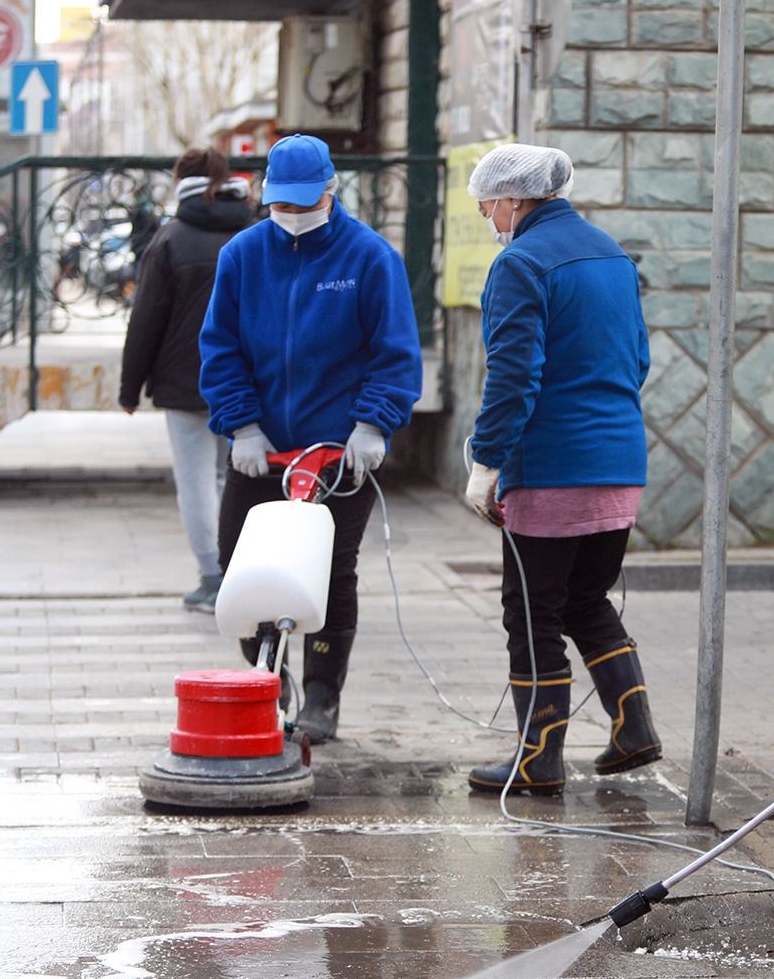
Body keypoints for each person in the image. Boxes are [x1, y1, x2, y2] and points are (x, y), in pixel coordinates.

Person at [199, 134, 421, 744]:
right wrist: (241, 423)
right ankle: (266, 685)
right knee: (239, 564)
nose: (292, 216)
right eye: (281, 206)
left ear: (331, 191)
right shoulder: (242, 256)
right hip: (259, 448)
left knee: (329, 573)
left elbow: (395, 352)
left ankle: (323, 697)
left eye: (304, 204)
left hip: (337, 455)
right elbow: (220, 347)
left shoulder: (370, 259)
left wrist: (373, 423)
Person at [460, 143, 658, 798]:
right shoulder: (611, 254)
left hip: (552, 467)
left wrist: (486, 460)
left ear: (515, 198)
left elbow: (513, 378)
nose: (487, 214)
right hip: (620, 460)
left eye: (488, 202)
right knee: (584, 598)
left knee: (532, 609)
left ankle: (539, 757)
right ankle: (633, 725)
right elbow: (637, 359)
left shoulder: (521, 264)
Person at [119, 149, 253, 613]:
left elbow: (146, 320)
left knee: (196, 481)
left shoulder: (170, 239)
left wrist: (129, 387)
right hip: (246, 380)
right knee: (233, 476)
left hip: (184, 378)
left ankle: (214, 577)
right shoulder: (256, 234)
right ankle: (242, 569)